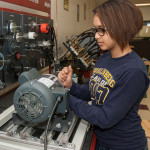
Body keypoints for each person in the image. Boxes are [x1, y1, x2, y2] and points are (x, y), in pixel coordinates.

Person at [58, 0, 149, 149]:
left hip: (123, 145)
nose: (96, 36)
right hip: (102, 140)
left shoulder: (134, 71)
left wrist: (65, 98)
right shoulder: (105, 57)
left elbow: (105, 117)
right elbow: (91, 92)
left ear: (120, 28)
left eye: (102, 30)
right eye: (95, 29)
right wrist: (70, 86)